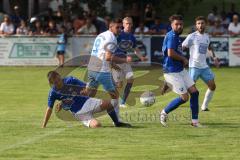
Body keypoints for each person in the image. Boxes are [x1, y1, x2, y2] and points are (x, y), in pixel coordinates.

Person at [42, 71, 129, 128]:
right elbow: (49, 109)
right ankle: (91, 121)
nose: (58, 83)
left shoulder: (70, 80)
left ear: (60, 76)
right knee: (97, 125)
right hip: (79, 112)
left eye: (58, 79)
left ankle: (117, 123)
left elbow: (86, 86)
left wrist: (86, 90)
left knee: (110, 104)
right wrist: (44, 125)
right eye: (55, 82)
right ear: (51, 83)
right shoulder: (53, 92)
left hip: (87, 102)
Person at [86, 19, 132, 127]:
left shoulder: (101, 35)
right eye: (117, 27)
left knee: (90, 94)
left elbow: (101, 53)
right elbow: (108, 57)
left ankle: (78, 108)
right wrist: (125, 60)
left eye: (121, 27)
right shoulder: (112, 37)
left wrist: (115, 67)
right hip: (101, 69)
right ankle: (117, 121)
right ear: (110, 27)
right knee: (115, 96)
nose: (120, 29)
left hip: (92, 67)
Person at [160, 15, 200, 127]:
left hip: (179, 70)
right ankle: (164, 112)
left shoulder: (176, 36)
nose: (179, 26)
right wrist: (183, 59)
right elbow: (170, 53)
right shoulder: (172, 36)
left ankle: (195, 121)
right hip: (172, 71)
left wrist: (182, 61)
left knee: (195, 92)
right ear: (172, 25)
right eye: (176, 24)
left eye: (181, 24)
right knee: (184, 97)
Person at [182, 16, 219, 111]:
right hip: (194, 66)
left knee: (212, 86)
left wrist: (214, 58)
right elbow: (182, 47)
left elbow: (210, 47)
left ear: (205, 24)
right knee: (188, 89)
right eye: (198, 23)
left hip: (204, 67)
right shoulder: (192, 36)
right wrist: (181, 59)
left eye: (202, 23)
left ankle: (204, 106)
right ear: (196, 25)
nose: (200, 25)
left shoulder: (207, 36)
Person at [112, 17, 148, 108]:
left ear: (132, 25)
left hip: (125, 61)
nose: (128, 25)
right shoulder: (118, 34)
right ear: (123, 25)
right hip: (116, 61)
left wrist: (141, 57)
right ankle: (113, 98)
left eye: (130, 23)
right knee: (119, 85)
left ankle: (123, 102)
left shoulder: (131, 37)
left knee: (131, 78)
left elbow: (135, 49)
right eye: (126, 23)